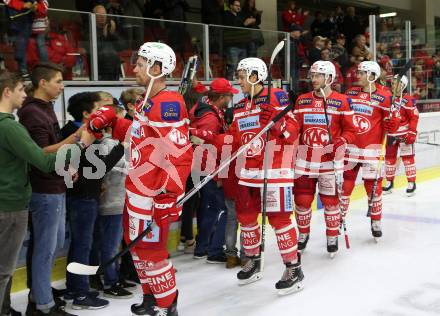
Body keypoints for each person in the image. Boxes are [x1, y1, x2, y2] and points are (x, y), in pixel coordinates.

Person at [88, 42, 193, 316]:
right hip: (137, 190)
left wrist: (169, 195)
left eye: (140, 64)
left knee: (152, 252)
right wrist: (115, 121)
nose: (134, 68)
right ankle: (150, 298)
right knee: (138, 250)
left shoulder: (168, 103)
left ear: (156, 68)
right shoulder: (148, 101)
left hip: (154, 195)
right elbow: (140, 138)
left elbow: (179, 155)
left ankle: (167, 305)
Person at [192, 57, 304, 296]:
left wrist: (277, 124)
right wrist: (208, 137)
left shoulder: (277, 98)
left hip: (275, 170)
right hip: (248, 172)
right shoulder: (241, 107)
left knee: (280, 220)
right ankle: (252, 260)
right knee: (246, 218)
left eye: (242, 77)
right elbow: (234, 140)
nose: (239, 81)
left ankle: (293, 268)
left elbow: (293, 132)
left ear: (255, 76)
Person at [0, 70, 91, 316]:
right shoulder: (20, 120)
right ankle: (40, 303)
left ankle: (36, 298)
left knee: (42, 249)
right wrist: (80, 144)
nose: (23, 94)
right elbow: (42, 158)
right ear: (7, 92)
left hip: (34, 192)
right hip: (27, 195)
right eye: (20, 89)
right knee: (23, 258)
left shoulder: (37, 112)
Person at [292, 61, 357, 256]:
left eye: (318, 76)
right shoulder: (302, 100)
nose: (313, 80)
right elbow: (295, 129)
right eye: (312, 76)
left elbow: (352, 131)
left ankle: (332, 236)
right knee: (302, 200)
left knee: (330, 202)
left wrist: (343, 140)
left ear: (329, 78)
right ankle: (302, 235)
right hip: (304, 161)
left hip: (329, 162)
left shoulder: (342, 101)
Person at [343, 61, 400, 240]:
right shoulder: (350, 93)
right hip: (350, 150)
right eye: (358, 72)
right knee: (344, 188)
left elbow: (393, 123)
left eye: (361, 73)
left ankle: (376, 221)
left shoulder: (385, 96)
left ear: (372, 76)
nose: (357, 75)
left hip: (372, 151)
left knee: (373, 189)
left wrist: (392, 123)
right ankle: (338, 221)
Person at [189, 78, 238, 263]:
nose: (231, 98)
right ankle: (214, 250)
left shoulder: (205, 105)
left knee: (210, 209)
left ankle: (202, 248)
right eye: (229, 95)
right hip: (208, 168)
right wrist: (216, 174)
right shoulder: (210, 118)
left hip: (202, 167)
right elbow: (207, 146)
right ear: (221, 97)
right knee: (222, 209)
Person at [383, 75, 419, 196]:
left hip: (404, 134)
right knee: (389, 159)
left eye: (395, 83)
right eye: (392, 83)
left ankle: (411, 183)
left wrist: (412, 132)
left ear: (402, 85)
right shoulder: (388, 98)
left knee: (408, 158)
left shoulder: (408, 100)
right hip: (391, 134)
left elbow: (414, 117)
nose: (392, 85)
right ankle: (389, 182)